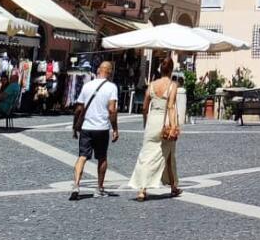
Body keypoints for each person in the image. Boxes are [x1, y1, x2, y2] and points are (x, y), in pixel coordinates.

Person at [127, 56, 182, 202]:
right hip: (165, 123)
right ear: (171, 69)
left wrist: (146, 121)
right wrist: (174, 126)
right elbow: (170, 106)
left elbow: (144, 106)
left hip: (152, 121)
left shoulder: (151, 85)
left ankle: (142, 190)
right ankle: (172, 186)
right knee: (169, 154)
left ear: (160, 69)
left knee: (146, 155)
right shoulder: (173, 85)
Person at [70, 60, 120, 200]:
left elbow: (79, 109)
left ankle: (76, 184)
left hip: (86, 127)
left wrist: (75, 127)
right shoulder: (112, 87)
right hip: (102, 128)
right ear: (109, 72)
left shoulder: (87, 86)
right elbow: (112, 110)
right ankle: (99, 187)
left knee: (82, 156)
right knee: (102, 157)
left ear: (98, 70)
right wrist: (115, 129)